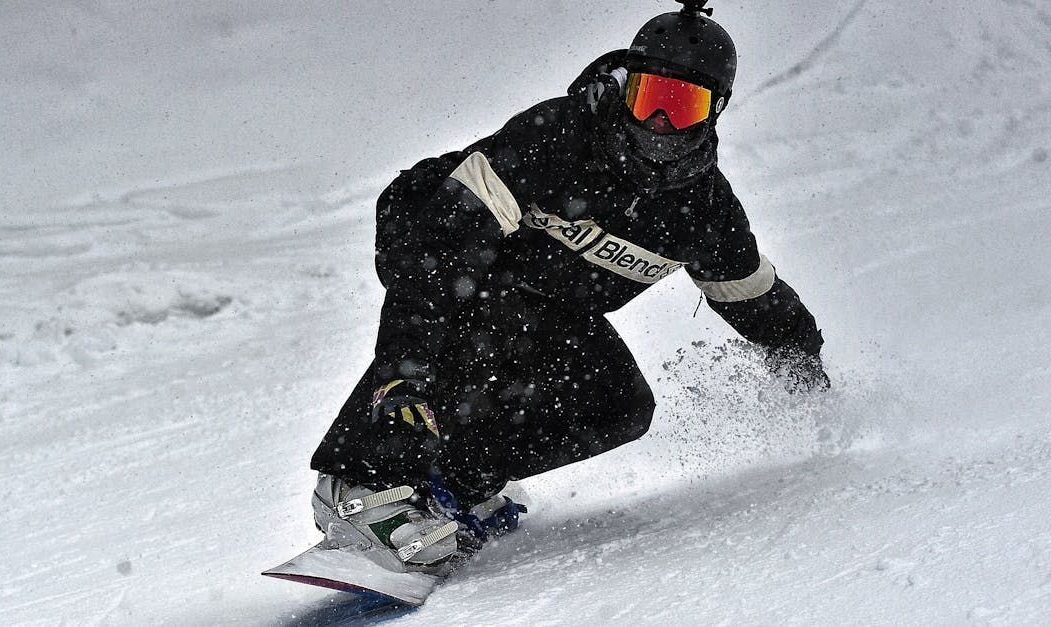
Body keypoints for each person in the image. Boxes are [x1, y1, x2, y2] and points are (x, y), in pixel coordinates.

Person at [308, 0, 828, 570]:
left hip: (541, 295)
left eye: (682, 107)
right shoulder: (557, 138)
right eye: (650, 97)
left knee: (618, 404)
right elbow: (444, 252)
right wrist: (401, 373)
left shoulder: (704, 213)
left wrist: (805, 370)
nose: (660, 122)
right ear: (626, 88)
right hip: (440, 233)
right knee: (480, 316)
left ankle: (455, 486)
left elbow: (754, 297)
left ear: (716, 112)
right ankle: (359, 485)